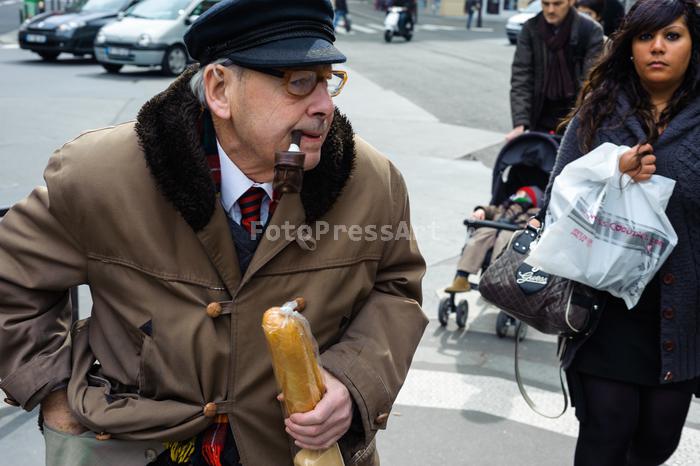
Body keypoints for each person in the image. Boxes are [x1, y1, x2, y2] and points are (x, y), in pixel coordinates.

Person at [0, 0, 428, 465]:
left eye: (327, 81)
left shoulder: (371, 180)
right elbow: (11, 278)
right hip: (137, 446)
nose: (324, 106)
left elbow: (397, 290)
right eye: (298, 82)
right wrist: (54, 393)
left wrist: (353, 381)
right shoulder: (101, 175)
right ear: (219, 88)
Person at [538, 1, 700, 464]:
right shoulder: (601, 112)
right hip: (604, 315)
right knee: (605, 435)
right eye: (646, 36)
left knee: (656, 443)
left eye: (672, 36)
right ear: (628, 46)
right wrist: (612, 168)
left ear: (693, 45)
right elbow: (556, 200)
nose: (657, 47)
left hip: (682, 320)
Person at [507, 0, 604, 141]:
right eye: (545, 4)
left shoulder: (589, 29)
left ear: (571, 2)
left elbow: (591, 82)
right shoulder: (531, 28)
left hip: (575, 115)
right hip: (540, 113)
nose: (550, 10)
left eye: (557, 4)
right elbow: (522, 76)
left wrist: (583, 122)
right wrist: (520, 123)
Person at [445, 186, 542, 293]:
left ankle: (494, 279)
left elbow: (536, 223)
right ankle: (462, 277)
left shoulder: (534, 212)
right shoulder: (506, 206)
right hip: (494, 228)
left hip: (512, 232)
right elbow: (492, 210)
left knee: (505, 239)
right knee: (481, 233)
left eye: (522, 194)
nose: (517, 195)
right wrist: (481, 210)